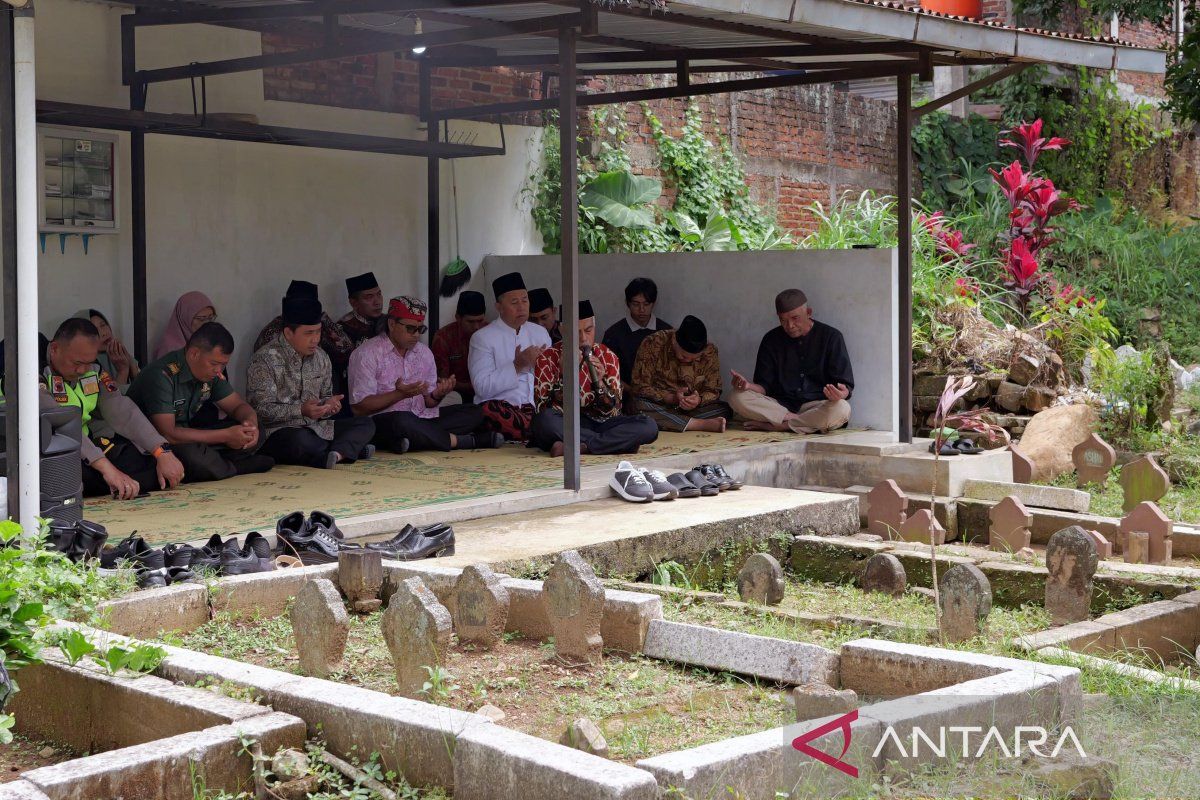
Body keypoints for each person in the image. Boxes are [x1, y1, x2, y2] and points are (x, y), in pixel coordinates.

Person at [39, 317, 185, 499]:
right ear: (54, 349)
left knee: (145, 465)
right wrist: (106, 468)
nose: (83, 370)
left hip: (86, 450)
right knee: (67, 478)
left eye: (89, 362)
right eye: (77, 363)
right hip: (46, 453)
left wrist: (161, 451)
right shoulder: (31, 371)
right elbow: (59, 424)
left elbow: (121, 410)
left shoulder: (93, 370)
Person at [349, 296, 503, 453]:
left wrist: (437, 395)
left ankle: (411, 440)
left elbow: (429, 403)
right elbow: (359, 408)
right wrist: (399, 394)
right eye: (410, 329)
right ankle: (461, 441)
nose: (416, 335)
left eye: (420, 329)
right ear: (392, 324)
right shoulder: (366, 354)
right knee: (402, 420)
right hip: (385, 421)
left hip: (422, 418)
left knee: (475, 412)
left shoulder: (424, 353)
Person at [128, 322, 275, 482]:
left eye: (223, 365)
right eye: (214, 363)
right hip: (154, 446)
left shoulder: (212, 374)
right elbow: (169, 434)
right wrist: (225, 436)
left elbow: (238, 406)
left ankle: (218, 464)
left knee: (256, 427)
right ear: (194, 354)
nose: (218, 370)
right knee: (192, 455)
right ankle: (235, 467)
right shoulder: (162, 376)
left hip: (189, 435)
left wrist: (250, 425)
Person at [247, 295, 375, 469]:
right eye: (309, 333)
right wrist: (301, 410)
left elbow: (325, 397)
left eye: (318, 332)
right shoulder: (264, 359)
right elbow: (260, 410)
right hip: (279, 432)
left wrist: (328, 406)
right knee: (299, 441)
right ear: (288, 333)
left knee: (365, 423)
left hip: (318, 428)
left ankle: (335, 454)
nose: (315, 339)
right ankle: (346, 449)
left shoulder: (321, 357)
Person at [531, 300, 658, 457]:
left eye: (588, 330)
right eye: (576, 332)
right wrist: (564, 376)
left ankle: (583, 447)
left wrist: (601, 384)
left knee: (648, 425)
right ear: (563, 330)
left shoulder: (608, 356)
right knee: (543, 422)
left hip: (600, 424)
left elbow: (613, 412)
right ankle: (614, 444)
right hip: (565, 424)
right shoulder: (547, 358)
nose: (583, 338)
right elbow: (543, 408)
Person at [730, 288, 853, 434]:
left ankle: (781, 426)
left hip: (817, 406)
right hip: (781, 407)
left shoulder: (831, 337)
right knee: (736, 396)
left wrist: (842, 393)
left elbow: (844, 388)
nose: (789, 326)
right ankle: (799, 421)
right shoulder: (770, 340)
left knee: (842, 408)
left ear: (808, 313)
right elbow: (764, 388)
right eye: (783, 320)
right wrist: (748, 386)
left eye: (795, 318)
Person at [467, 272, 552, 441]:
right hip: (502, 410)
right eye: (514, 302)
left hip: (537, 409)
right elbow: (482, 387)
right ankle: (539, 433)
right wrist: (517, 366)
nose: (521, 307)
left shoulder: (539, 333)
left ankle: (539, 430)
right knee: (487, 411)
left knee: (557, 416)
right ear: (498, 307)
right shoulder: (482, 338)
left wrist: (547, 366)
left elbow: (552, 381)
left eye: (525, 300)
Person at [253, 280, 355, 397]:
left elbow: (346, 348)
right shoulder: (272, 337)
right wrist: (302, 410)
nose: (315, 339)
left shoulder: (319, 339)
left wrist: (324, 320)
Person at [631, 315, 730, 433]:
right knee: (638, 406)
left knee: (725, 409)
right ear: (674, 341)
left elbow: (714, 390)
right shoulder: (653, 343)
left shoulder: (710, 351)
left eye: (693, 359)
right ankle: (698, 424)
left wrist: (698, 400)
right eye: (683, 356)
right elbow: (639, 386)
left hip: (692, 410)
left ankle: (676, 422)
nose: (687, 361)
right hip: (661, 405)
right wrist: (671, 398)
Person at [601, 278, 673, 393]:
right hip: (624, 396)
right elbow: (607, 373)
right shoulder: (613, 334)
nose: (641, 310)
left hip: (662, 397)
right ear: (628, 303)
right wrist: (632, 393)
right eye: (636, 304)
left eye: (646, 304)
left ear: (653, 304)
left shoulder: (667, 332)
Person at [431, 290, 487, 405]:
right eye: (470, 322)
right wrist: (472, 386)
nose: (476, 327)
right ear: (458, 317)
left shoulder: (492, 332)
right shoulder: (443, 338)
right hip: (457, 394)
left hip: (489, 393)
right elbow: (443, 380)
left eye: (480, 321)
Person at [74, 308, 139, 389]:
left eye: (103, 325)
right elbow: (111, 399)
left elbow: (143, 389)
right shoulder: (86, 367)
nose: (104, 333)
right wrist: (122, 371)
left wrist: (130, 362)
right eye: (95, 330)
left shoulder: (116, 352)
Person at [153, 291, 217, 360]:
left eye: (210, 317)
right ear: (185, 318)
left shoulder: (208, 340)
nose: (207, 323)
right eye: (201, 319)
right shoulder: (170, 349)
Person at [335, 271, 384, 350]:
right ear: (354, 303)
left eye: (379, 294)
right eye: (369, 297)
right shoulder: (343, 329)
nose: (377, 302)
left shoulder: (388, 321)